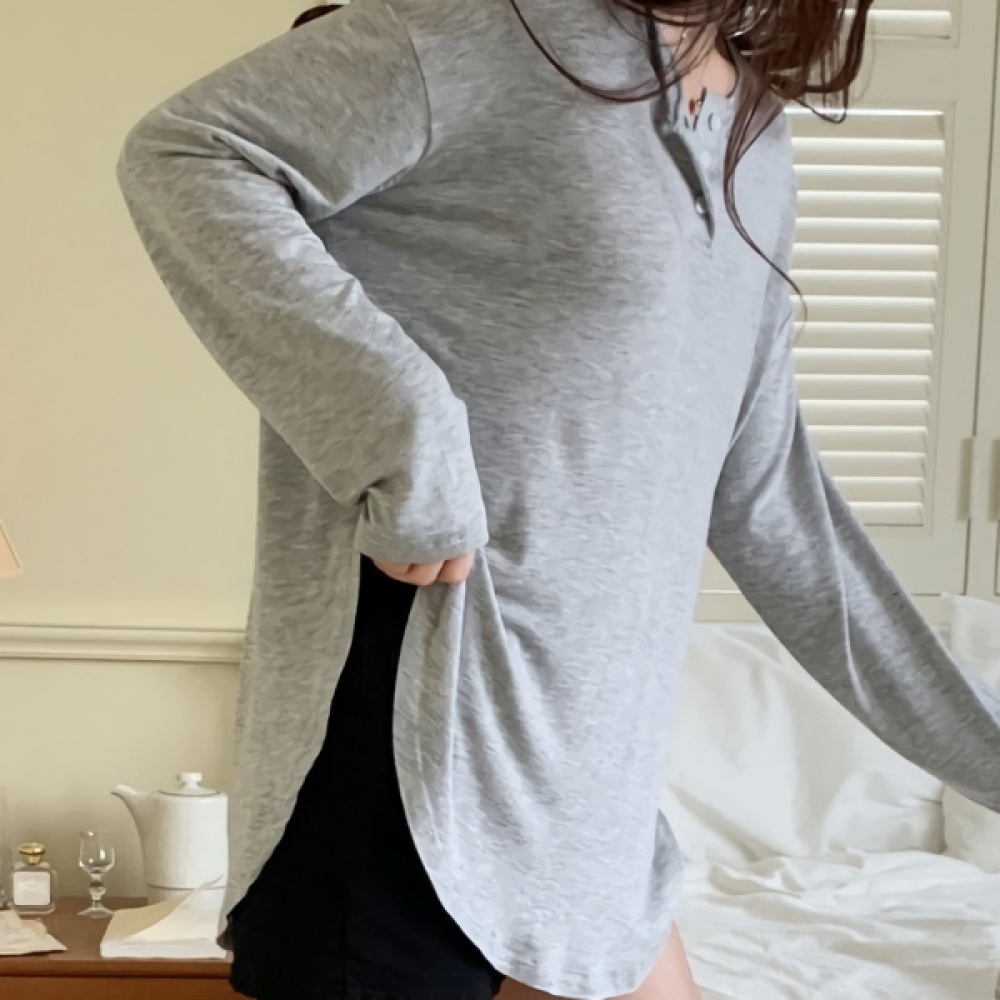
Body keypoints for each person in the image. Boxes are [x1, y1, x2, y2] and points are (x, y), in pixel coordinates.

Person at [116, 0, 1000, 997]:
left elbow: (770, 502)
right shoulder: (471, 32)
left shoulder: (752, 134)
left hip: (590, 799)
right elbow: (185, 154)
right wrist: (402, 436)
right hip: (410, 759)